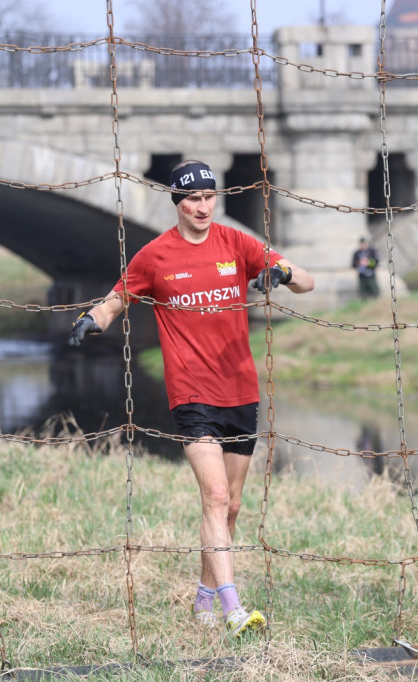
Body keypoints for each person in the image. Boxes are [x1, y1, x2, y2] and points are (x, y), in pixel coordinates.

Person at [68, 160, 314, 637]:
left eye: (208, 197)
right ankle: (232, 609)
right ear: (177, 204)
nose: (202, 207)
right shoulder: (156, 256)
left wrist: (280, 274)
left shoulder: (236, 243)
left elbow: (307, 280)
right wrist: (90, 321)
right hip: (192, 394)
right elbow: (118, 299)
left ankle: (203, 598)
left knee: (234, 505)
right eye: (192, 199)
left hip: (240, 389)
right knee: (215, 496)